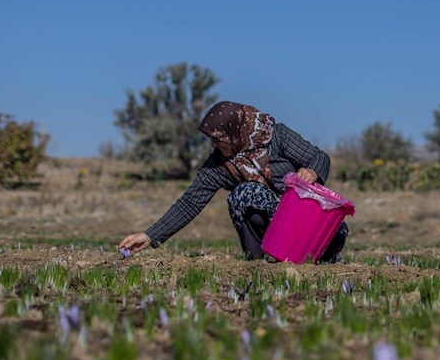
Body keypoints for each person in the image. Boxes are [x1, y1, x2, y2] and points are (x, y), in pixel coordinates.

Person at [117, 101, 348, 262]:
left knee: (335, 233)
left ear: (234, 130)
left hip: (298, 218)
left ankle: (315, 254)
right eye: (211, 140)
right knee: (244, 194)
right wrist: (149, 235)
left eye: (218, 139)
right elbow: (189, 203)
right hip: (272, 227)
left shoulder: (275, 136)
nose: (214, 145)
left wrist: (311, 171)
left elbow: (318, 157)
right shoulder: (219, 164)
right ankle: (256, 261)